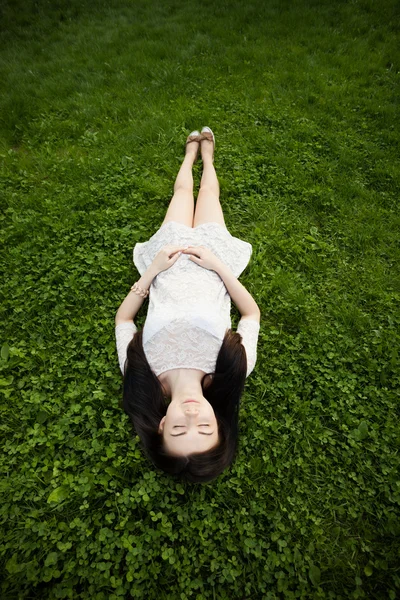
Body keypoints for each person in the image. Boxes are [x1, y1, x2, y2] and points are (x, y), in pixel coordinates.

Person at [115, 127, 260, 483]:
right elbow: (251, 313)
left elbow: (123, 321)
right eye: (205, 427)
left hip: (169, 258)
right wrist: (217, 265)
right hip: (210, 260)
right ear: (220, 425)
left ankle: (189, 156)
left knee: (182, 192)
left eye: (179, 429)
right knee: (209, 192)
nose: (192, 416)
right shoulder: (233, 368)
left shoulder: (142, 376)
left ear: (162, 424)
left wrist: (153, 270)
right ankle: (208, 157)